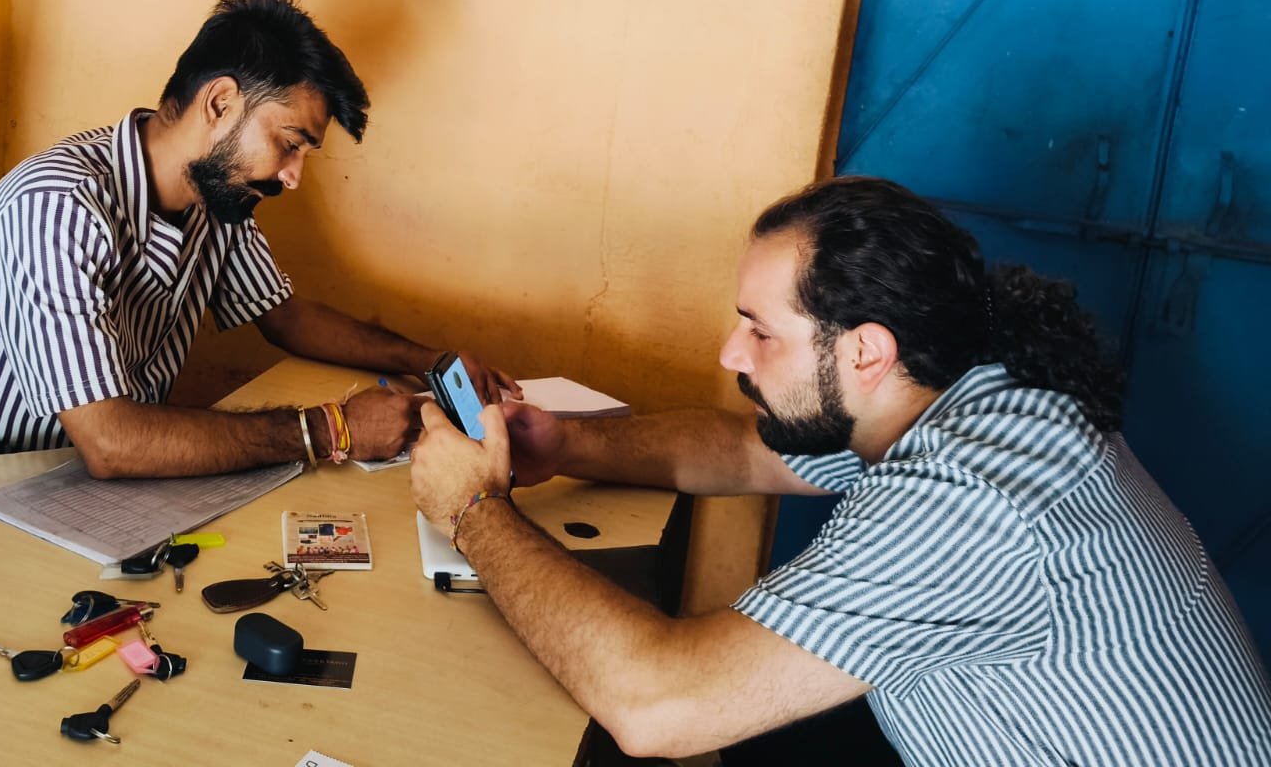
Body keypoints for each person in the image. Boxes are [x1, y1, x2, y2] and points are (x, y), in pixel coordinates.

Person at [411, 176, 1271, 765]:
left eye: (761, 331)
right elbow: (747, 449)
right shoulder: (961, 385)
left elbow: (657, 708)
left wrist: (473, 509)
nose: (731, 353)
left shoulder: (971, 496)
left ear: (865, 351)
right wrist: (567, 446)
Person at [0, 0, 514, 475]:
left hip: (104, 481)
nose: (293, 177)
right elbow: (111, 442)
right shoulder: (56, 206)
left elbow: (286, 316)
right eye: (289, 143)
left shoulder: (216, 196)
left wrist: (430, 360)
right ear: (221, 103)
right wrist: (333, 429)